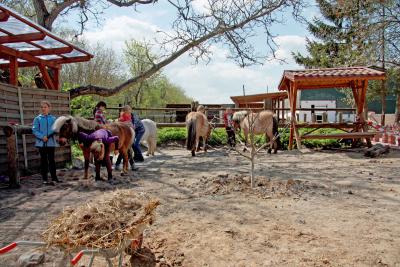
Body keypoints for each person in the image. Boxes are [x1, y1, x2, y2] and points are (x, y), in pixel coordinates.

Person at [32, 101, 60, 185]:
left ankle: (54, 178)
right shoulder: (38, 118)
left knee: (52, 161)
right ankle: (45, 179)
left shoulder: (53, 119)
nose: (43, 108)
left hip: (51, 143)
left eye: (45, 107)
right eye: (42, 107)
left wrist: (50, 136)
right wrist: (42, 137)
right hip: (41, 143)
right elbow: (34, 130)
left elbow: (55, 129)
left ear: (49, 108)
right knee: (43, 161)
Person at [114, 105, 137, 170]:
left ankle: (118, 164)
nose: (130, 111)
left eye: (130, 109)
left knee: (125, 150)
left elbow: (130, 123)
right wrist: (128, 124)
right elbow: (120, 123)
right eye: (129, 110)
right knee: (125, 150)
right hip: (124, 135)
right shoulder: (123, 116)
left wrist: (132, 125)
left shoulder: (129, 115)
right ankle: (131, 165)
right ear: (125, 111)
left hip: (128, 134)